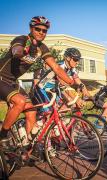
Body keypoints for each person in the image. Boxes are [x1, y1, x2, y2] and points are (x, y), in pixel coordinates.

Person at [0, 16, 74, 146]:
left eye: (44, 30)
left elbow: (56, 67)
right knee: (20, 101)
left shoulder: (42, 48)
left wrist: (72, 82)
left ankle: (27, 147)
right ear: (31, 28)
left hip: (12, 82)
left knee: (31, 110)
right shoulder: (22, 40)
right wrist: (19, 53)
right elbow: (16, 49)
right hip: (1, 78)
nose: (41, 32)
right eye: (37, 29)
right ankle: (2, 136)